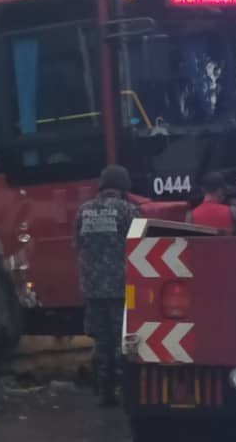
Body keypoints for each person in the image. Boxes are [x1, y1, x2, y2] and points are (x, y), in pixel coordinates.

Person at [75, 164, 140, 406]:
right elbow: (141, 245)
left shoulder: (83, 211)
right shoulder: (127, 211)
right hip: (121, 287)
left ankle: (105, 393)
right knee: (120, 342)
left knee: (101, 342)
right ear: (123, 186)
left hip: (92, 288)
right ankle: (126, 393)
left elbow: (78, 245)